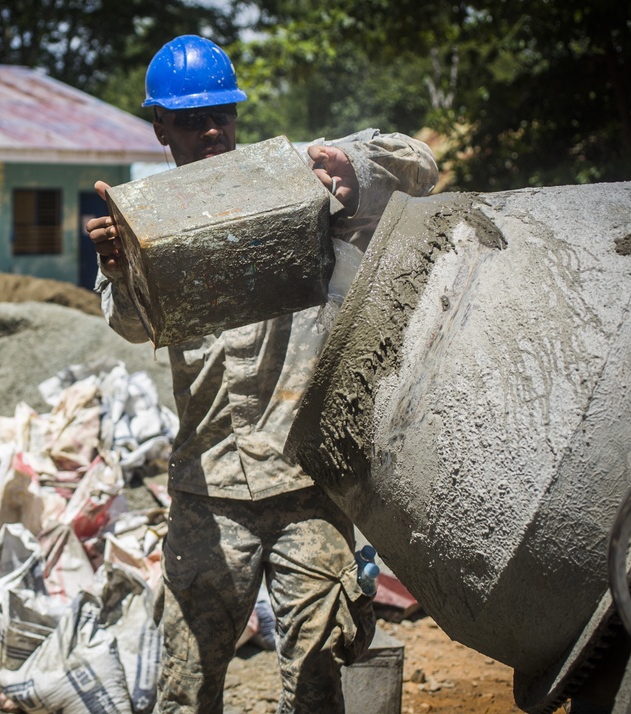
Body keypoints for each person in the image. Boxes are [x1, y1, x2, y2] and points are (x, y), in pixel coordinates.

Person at [87, 35, 438, 712]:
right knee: (186, 685)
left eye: (223, 113)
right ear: (159, 126)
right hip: (208, 491)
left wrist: (352, 167)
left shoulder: (292, 178)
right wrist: (117, 267)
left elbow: (419, 166)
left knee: (317, 680)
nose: (211, 129)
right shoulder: (147, 220)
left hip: (307, 485)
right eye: (191, 119)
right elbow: (133, 328)